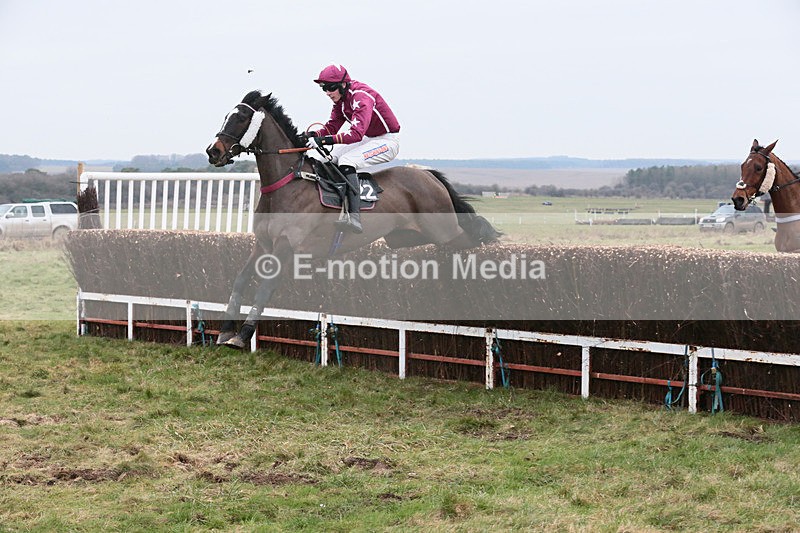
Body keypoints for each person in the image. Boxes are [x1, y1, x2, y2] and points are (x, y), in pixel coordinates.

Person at [305, 64, 401, 233]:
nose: (327, 92)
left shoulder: (361, 97)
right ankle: (332, 206)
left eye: (330, 87)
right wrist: (311, 135)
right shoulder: (340, 101)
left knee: (347, 160)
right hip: (368, 138)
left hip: (387, 141)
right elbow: (332, 127)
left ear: (343, 84)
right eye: (324, 89)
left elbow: (355, 134)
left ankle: (354, 217)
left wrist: (323, 140)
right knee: (324, 159)